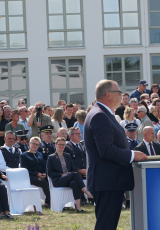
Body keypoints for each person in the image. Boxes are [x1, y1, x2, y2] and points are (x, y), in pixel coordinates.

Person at [84, 80, 147, 229]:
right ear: (108, 95)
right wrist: (132, 155)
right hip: (107, 181)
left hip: (109, 180)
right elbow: (105, 150)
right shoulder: (100, 115)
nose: (120, 96)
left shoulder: (104, 113)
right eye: (118, 93)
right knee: (106, 225)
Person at [47, 137, 93, 212]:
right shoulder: (51, 157)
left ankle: (78, 208)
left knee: (74, 183)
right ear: (55, 145)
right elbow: (49, 173)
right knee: (75, 174)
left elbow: (72, 168)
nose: (61, 146)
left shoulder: (67, 155)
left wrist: (69, 174)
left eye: (63, 145)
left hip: (69, 178)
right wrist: (62, 174)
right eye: (59, 144)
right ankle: (88, 193)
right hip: (58, 180)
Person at [21, 136, 51, 208]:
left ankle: (48, 201)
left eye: (37, 144)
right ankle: (50, 201)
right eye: (33, 144)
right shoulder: (24, 155)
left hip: (41, 175)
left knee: (51, 179)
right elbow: (24, 170)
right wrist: (37, 174)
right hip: (30, 176)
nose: (35, 146)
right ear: (29, 144)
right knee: (43, 182)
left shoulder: (40, 154)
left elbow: (44, 165)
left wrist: (44, 173)